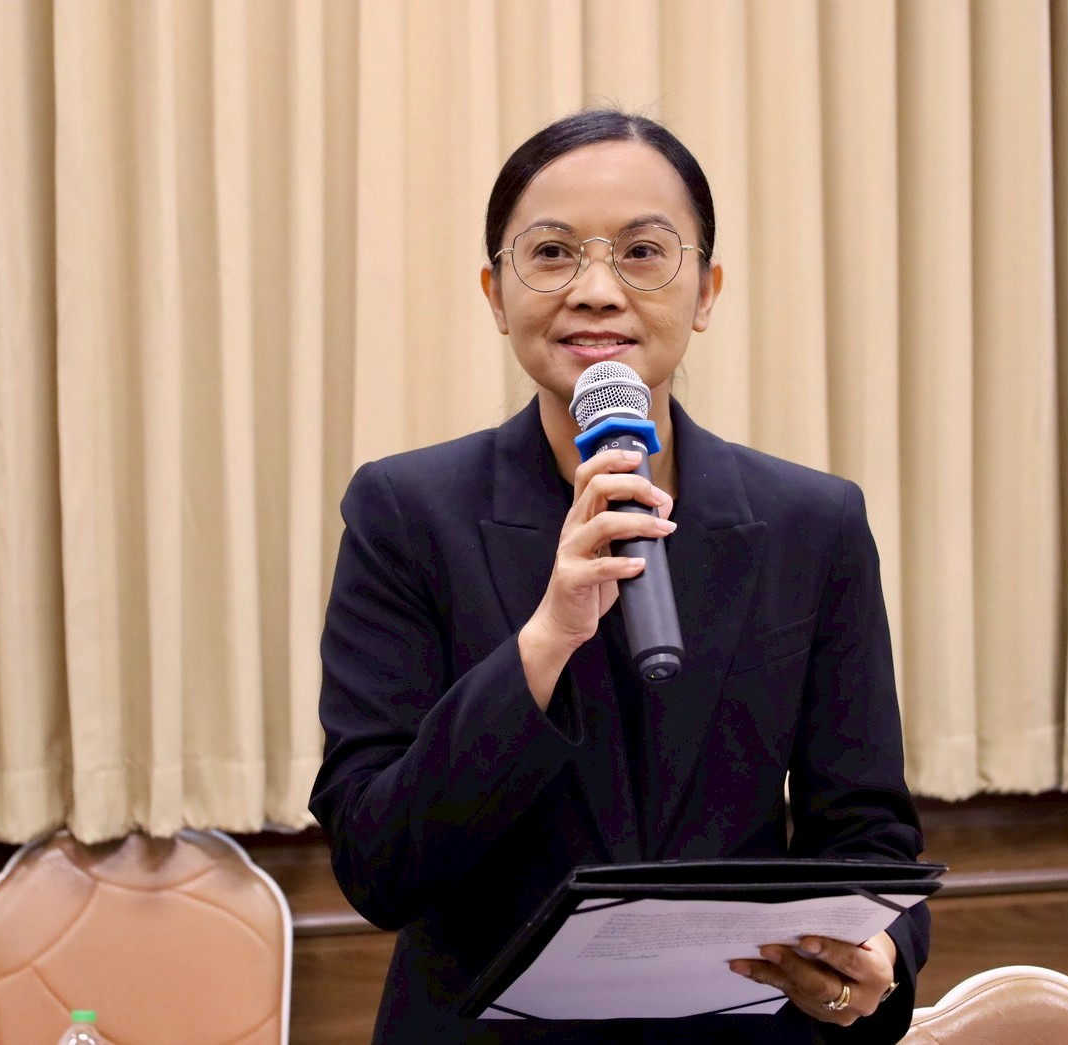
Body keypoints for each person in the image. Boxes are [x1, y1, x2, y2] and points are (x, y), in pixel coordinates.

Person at [310, 109, 930, 1043]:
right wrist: (543, 642)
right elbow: (376, 862)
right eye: (551, 253)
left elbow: (868, 835)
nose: (596, 292)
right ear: (494, 293)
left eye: (643, 252)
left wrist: (874, 956)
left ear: (706, 291)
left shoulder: (814, 523)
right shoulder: (405, 513)